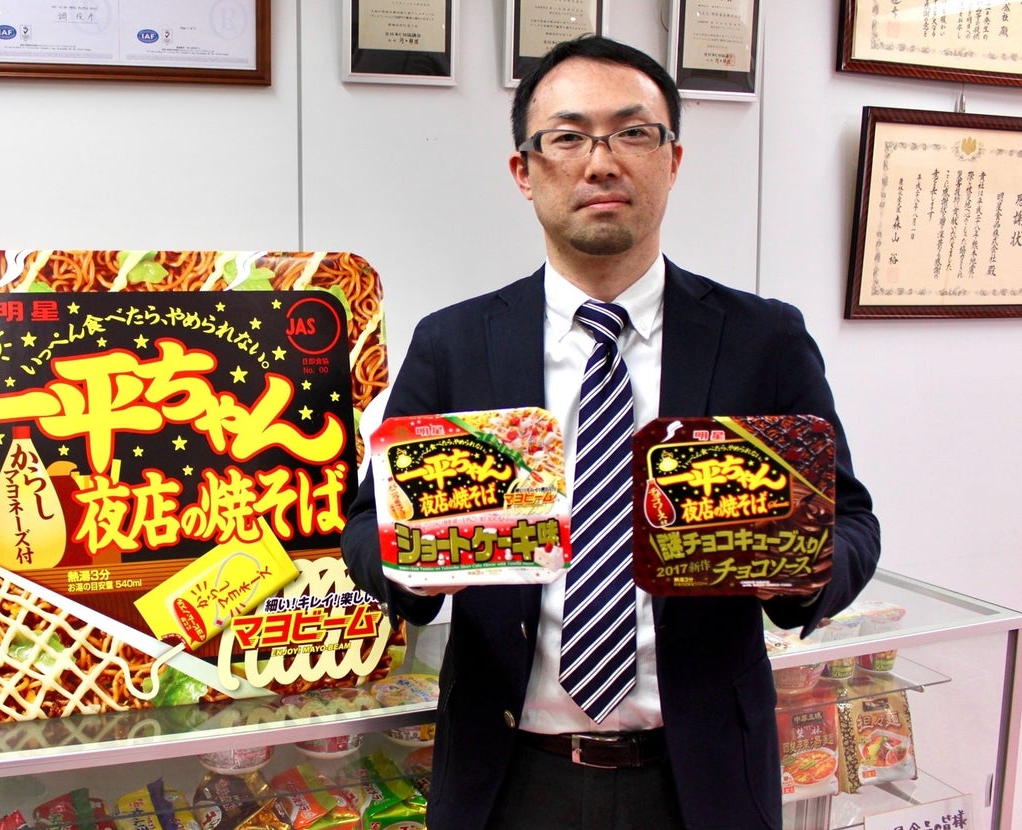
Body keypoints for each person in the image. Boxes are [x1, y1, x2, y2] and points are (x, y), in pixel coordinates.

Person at [341, 34, 881, 830]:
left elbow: (853, 520)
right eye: (567, 137)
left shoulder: (762, 339)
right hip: (507, 776)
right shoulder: (455, 344)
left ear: (674, 160)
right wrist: (413, 571)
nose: (601, 163)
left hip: (704, 781)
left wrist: (801, 574)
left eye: (633, 133)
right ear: (524, 171)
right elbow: (365, 529)